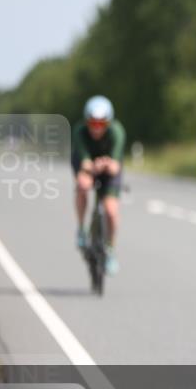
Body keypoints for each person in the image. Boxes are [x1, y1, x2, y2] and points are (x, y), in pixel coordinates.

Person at [72, 95, 126, 275]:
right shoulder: (80, 131)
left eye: (101, 123)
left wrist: (107, 165)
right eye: (92, 123)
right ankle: (81, 229)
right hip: (88, 166)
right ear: (86, 121)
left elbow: (115, 166)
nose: (96, 128)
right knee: (83, 185)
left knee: (111, 211)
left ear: (108, 123)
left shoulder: (117, 132)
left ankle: (110, 249)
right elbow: (85, 162)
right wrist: (94, 167)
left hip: (109, 169)